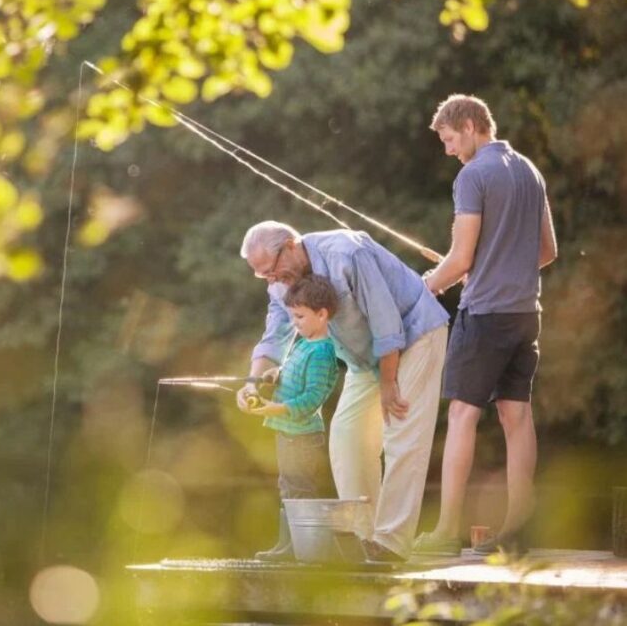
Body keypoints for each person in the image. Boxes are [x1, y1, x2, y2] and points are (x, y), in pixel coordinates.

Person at [236, 221, 449, 562]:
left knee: (402, 433)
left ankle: (391, 543)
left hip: (414, 334)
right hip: (365, 357)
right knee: (347, 435)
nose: (273, 280)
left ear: (291, 244)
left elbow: (386, 322)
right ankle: (364, 537)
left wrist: (389, 383)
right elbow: (275, 331)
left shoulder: (347, 253)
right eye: (264, 277)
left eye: (272, 271)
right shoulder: (281, 283)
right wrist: (252, 381)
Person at [413, 94, 557, 556]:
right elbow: (547, 251)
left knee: (461, 414)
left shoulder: (473, 176)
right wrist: (498, 265)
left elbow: (458, 260)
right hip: (525, 314)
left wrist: (425, 288)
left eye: (451, 139)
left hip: (486, 315)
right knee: (517, 416)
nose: (449, 150)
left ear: (472, 125)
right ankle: (518, 530)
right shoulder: (530, 171)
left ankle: (446, 531)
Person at [241, 274, 340, 561]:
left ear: (322, 315)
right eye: (292, 316)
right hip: (286, 433)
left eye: (300, 316)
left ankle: (301, 549)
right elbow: (290, 370)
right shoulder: (301, 342)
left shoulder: (323, 352)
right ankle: (288, 546)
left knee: (300, 492)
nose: (294, 322)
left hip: (303, 437)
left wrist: (273, 408)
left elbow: (311, 399)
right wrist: (275, 374)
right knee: (288, 488)